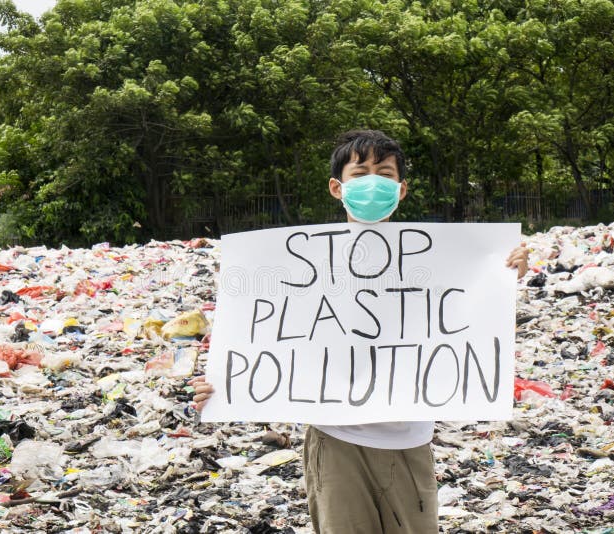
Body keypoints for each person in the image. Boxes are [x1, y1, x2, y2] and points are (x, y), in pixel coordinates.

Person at [189, 129, 529, 533]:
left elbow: (470, 319)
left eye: (385, 173)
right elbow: (263, 340)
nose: (373, 182)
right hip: (335, 443)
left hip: (409, 443)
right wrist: (223, 386)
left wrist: (506, 272)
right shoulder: (297, 264)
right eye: (361, 172)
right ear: (337, 187)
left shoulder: (443, 261)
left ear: (401, 190)